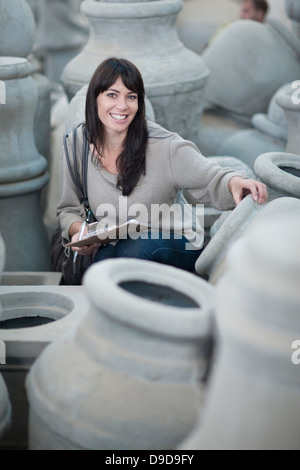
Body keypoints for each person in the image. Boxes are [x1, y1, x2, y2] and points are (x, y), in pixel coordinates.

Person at [57, 57, 267, 276]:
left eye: (131, 97)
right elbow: (68, 209)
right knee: (100, 268)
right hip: (116, 247)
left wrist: (235, 182)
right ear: (95, 99)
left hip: (176, 244)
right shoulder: (75, 146)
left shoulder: (164, 146)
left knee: (135, 248)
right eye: (112, 94)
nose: (122, 105)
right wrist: (80, 232)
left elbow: (212, 178)